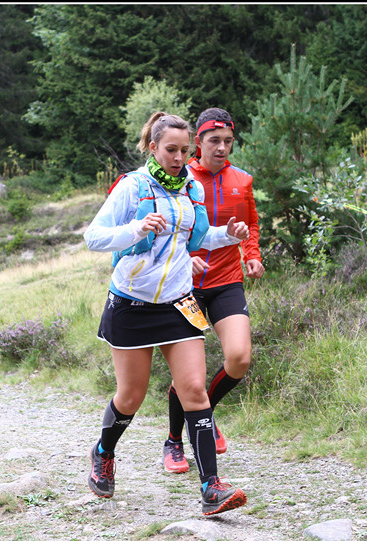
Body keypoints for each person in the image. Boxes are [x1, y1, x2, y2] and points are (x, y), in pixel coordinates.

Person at [83, 111, 250, 516]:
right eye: (170, 149)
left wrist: (229, 235)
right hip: (132, 305)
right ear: (153, 147)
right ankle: (103, 452)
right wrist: (137, 228)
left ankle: (211, 487)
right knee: (131, 397)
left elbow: (195, 236)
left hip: (178, 302)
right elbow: (94, 237)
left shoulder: (192, 188)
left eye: (184, 150)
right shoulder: (133, 186)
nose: (178, 158)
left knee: (194, 390)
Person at [161, 107, 264, 474]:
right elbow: (168, 228)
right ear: (198, 143)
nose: (222, 148)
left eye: (228, 141)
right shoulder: (181, 179)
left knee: (239, 358)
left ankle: (204, 412)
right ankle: (174, 441)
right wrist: (184, 257)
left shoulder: (242, 180)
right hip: (183, 286)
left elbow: (250, 224)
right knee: (187, 376)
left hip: (226, 281)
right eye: (214, 140)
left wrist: (252, 255)